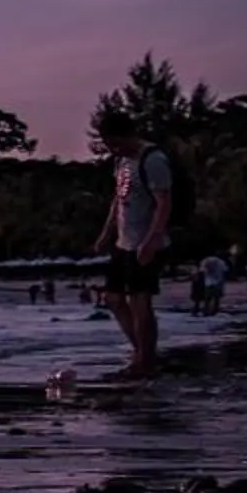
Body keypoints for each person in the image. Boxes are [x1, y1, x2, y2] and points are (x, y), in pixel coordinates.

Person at [90, 107, 172, 380]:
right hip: (124, 241)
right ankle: (142, 352)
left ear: (128, 135)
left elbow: (164, 203)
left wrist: (152, 240)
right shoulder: (121, 162)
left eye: (115, 143)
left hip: (147, 242)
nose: (113, 149)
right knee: (113, 298)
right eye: (108, 145)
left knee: (140, 302)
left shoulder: (153, 159)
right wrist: (106, 233)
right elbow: (119, 200)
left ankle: (145, 362)